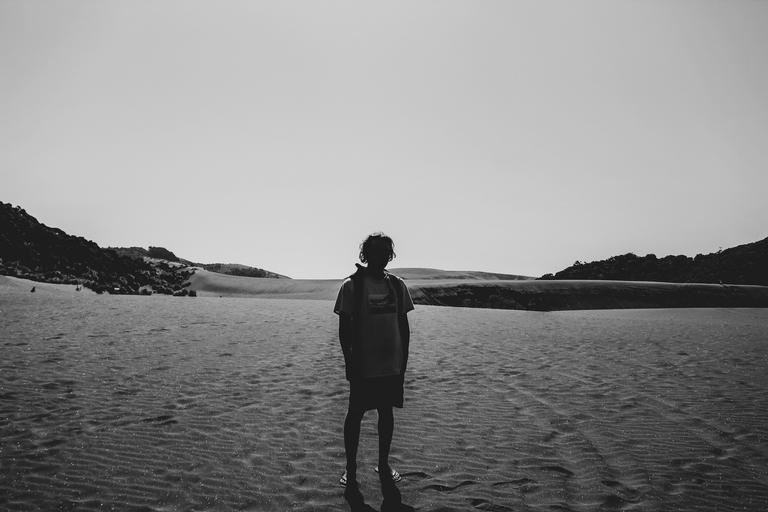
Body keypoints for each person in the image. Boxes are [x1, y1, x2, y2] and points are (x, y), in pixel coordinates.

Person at [334, 233, 415, 509]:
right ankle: (351, 467)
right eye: (375, 251)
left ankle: (383, 463)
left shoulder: (397, 285)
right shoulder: (351, 286)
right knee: (355, 414)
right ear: (365, 254)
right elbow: (344, 328)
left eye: (385, 252)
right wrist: (349, 360)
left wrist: (403, 360)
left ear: (390, 255)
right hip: (363, 366)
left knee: (386, 412)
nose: (381, 256)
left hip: (391, 365)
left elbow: (403, 324)